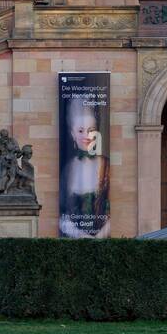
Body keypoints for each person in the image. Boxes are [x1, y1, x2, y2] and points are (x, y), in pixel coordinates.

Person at [59, 98, 111, 237]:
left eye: (91, 130)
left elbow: (112, 211)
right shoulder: (67, 169)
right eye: (80, 130)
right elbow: (63, 216)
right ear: (72, 134)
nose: (86, 136)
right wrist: (83, 237)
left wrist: (100, 237)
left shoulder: (106, 166)